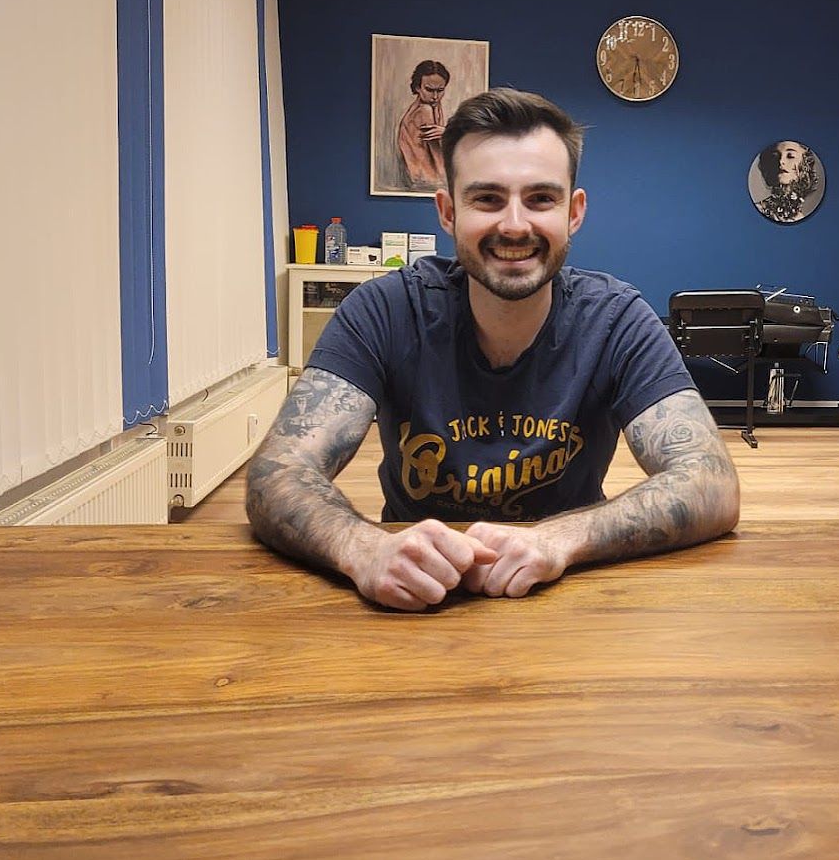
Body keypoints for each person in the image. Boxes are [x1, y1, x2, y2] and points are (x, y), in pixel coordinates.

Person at [248, 88, 739, 611]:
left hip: (569, 594)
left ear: (574, 212)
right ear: (447, 211)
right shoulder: (386, 310)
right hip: (414, 599)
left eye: (540, 198)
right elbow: (277, 473)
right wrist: (362, 548)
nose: (514, 225)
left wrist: (557, 542)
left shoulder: (617, 320)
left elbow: (710, 482)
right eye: (487, 198)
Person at [396, 60, 450, 188]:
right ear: (417, 88)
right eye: (429, 90)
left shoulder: (432, 105)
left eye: (440, 90)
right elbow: (437, 157)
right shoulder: (425, 110)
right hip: (426, 179)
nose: (436, 96)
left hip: (421, 177)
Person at [755, 140, 819, 223]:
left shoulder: (800, 217)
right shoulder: (759, 210)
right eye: (774, 156)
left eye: (790, 156)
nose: (781, 161)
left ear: (805, 162)